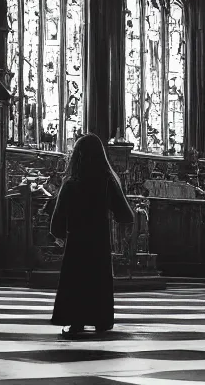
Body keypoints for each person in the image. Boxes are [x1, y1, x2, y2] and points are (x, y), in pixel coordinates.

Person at [50, 133, 134, 337]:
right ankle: (101, 320)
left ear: (76, 156)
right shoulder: (107, 181)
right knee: (99, 279)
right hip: (99, 240)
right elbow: (125, 214)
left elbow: (58, 218)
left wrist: (59, 234)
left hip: (77, 241)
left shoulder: (71, 182)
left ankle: (75, 321)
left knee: (76, 280)